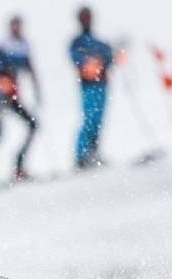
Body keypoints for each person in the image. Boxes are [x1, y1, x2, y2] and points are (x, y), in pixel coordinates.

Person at [0, 15, 41, 189]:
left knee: (33, 125)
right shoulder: (2, 48)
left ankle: (18, 166)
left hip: (12, 97)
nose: (17, 29)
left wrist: (37, 89)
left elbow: (30, 69)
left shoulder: (23, 47)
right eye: (15, 26)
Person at [70, 6, 113, 169]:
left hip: (102, 84)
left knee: (98, 120)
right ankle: (81, 155)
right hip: (88, 85)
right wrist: (93, 59)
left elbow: (109, 57)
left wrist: (105, 58)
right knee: (89, 118)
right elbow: (77, 58)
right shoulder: (77, 42)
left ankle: (93, 151)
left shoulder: (99, 42)